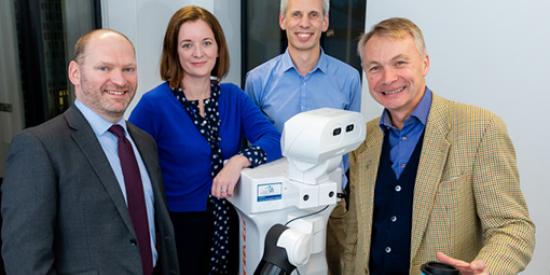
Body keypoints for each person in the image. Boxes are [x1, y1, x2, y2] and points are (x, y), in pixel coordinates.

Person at [327, 17, 536, 275]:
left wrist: (487, 270)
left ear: (424, 63)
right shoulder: (361, 140)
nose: (388, 78)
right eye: (375, 68)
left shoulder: (480, 128)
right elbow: (354, 237)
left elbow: (513, 226)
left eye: (400, 63)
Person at [1, 29, 179, 275]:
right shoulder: (38, 147)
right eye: (104, 68)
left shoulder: (144, 143)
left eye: (128, 69)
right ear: (75, 73)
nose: (119, 80)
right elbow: (25, 262)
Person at [129, 6, 282, 275]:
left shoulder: (233, 96)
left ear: (219, 48)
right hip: (180, 229)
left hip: (233, 220)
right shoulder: (154, 105)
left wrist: (238, 161)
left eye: (206, 43)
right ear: (174, 52)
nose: (198, 53)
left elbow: (274, 139)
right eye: (187, 44)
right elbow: (131, 167)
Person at [244, 0, 361, 133]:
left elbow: (351, 143)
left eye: (313, 15)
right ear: (283, 21)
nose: (305, 24)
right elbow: (252, 141)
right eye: (296, 14)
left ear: (325, 22)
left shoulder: (349, 79)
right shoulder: (257, 80)